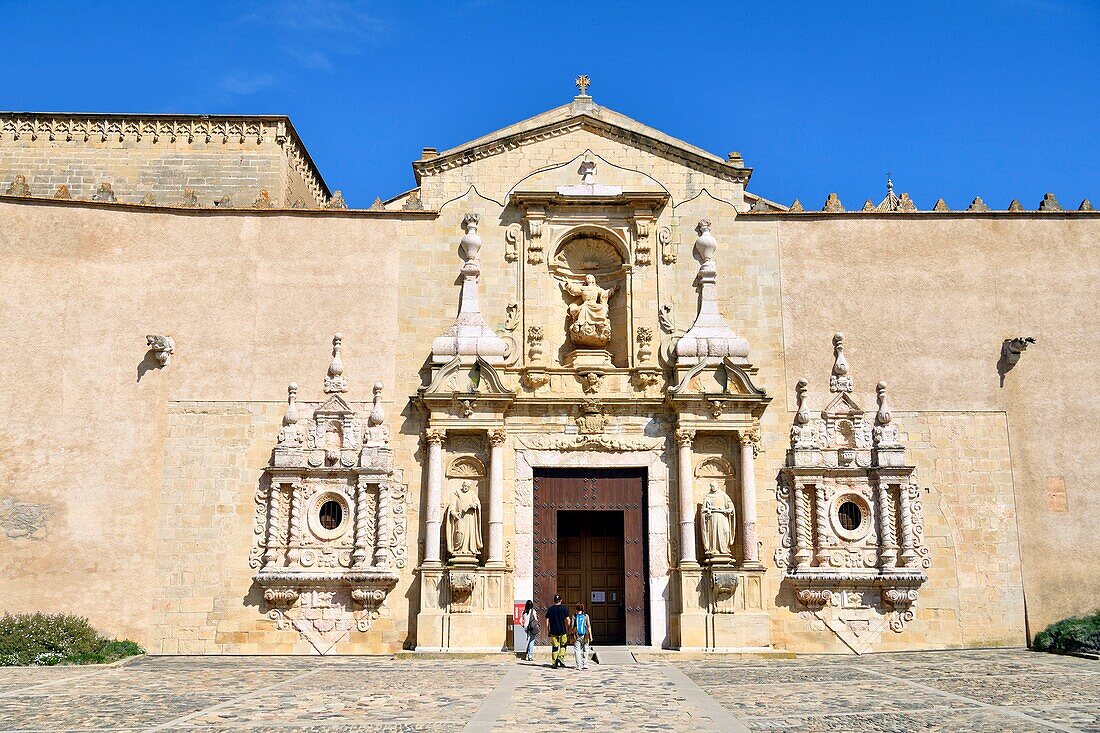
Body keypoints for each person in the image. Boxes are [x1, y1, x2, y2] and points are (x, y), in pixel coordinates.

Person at [545, 594, 570, 669]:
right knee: (563, 645)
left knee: (555, 647)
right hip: (562, 630)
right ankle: (560, 657)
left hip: (553, 630)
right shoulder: (564, 609)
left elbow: (547, 620)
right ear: (561, 600)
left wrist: (548, 629)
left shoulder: (550, 609)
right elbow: (568, 620)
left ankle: (554, 662)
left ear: (554, 600)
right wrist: (569, 627)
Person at [572, 603, 593, 670]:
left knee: (577, 650)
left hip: (577, 635)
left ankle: (578, 665)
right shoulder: (586, 616)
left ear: (576, 609)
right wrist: (591, 636)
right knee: (586, 649)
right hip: (585, 634)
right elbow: (589, 626)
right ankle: (585, 664)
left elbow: (572, 626)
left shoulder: (574, 616)